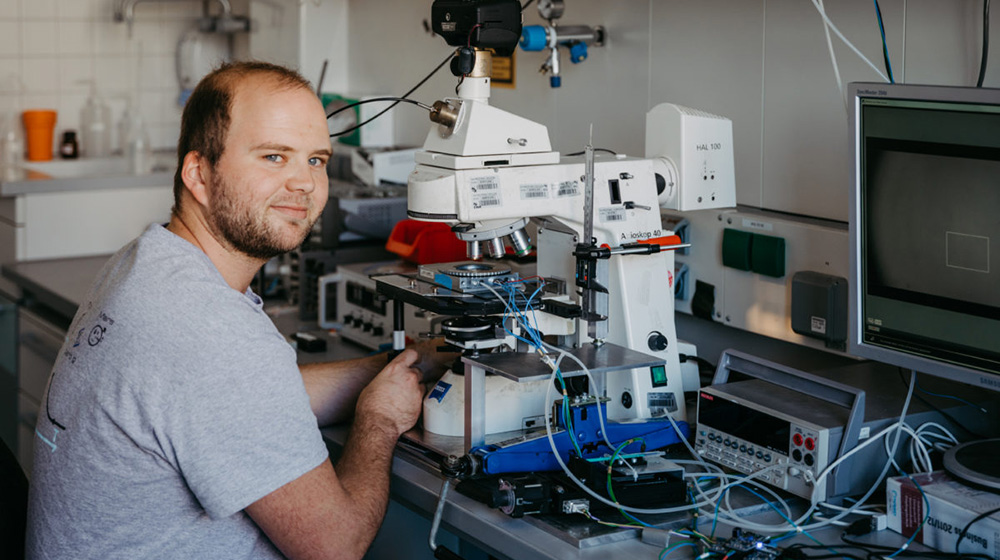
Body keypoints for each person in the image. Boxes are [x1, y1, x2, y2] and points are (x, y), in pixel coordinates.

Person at [26, 61, 445, 560]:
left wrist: (405, 366)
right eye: (274, 156)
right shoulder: (209, 331)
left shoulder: (148, 263)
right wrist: (378, 419)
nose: (305, 184)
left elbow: (244, 401)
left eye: (316, 160)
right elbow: (337, 546)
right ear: (199, 174)